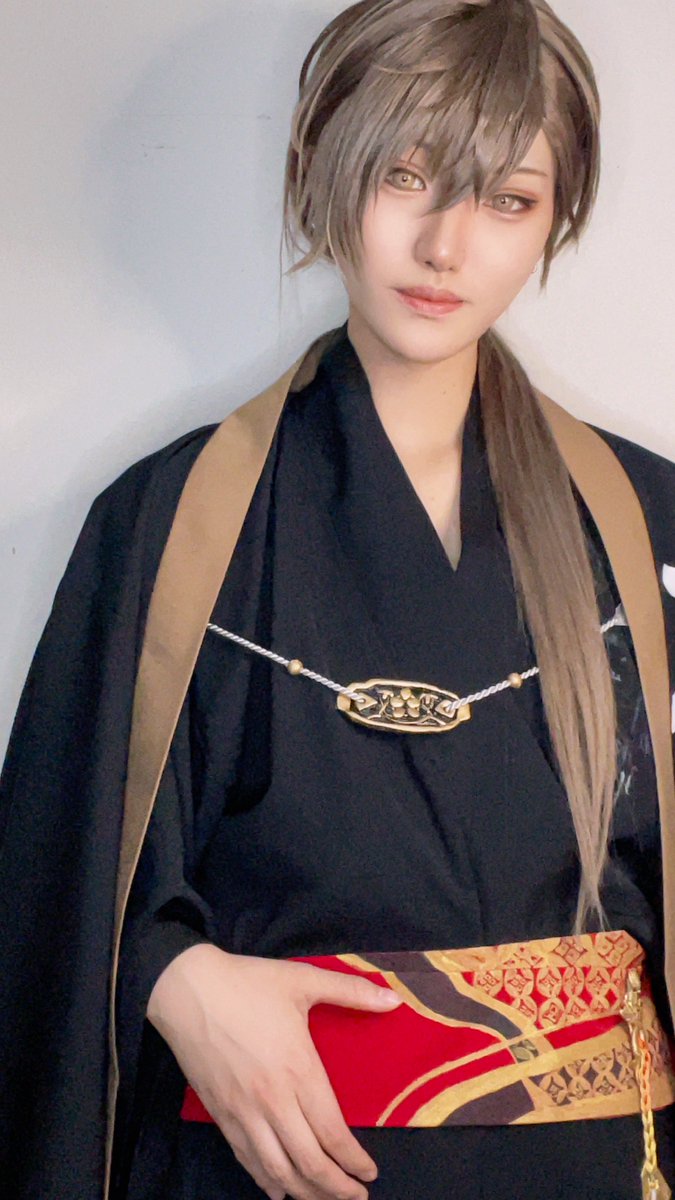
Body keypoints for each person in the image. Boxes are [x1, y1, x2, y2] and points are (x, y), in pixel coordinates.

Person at [1, 1, 674, 1198]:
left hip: (595, 1167)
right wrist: (169, 976)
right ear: (321, 163)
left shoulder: (648, 527)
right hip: (270, 1168)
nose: (446, 246)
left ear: (556, 216)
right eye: (404, 176)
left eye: (508, 200)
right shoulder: (165, 527)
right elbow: (51, 869)